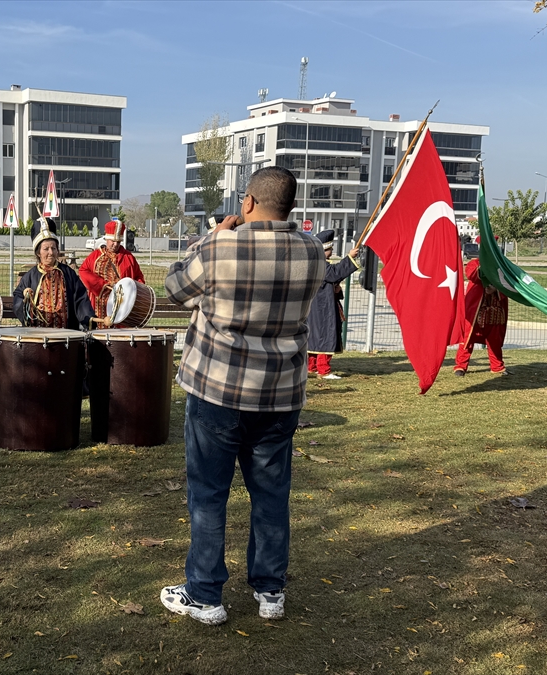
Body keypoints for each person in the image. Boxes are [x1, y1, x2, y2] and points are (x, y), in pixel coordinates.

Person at [161, 166, 325, 626]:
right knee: (271, 496)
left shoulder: (219, 247)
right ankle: (271, 591)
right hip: (279, 395)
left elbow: (175, 289)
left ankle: (205, 594)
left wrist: (207, 238)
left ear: (248, 202)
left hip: (218, 390)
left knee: (209, 495)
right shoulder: (312, 251)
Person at [13, 217, 93, 330]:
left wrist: (89, 319)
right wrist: (26, 302)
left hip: (66, 336)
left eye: (53, 248)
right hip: (38, 336)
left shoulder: (68, 273)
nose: (51, 253)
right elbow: (18, 298)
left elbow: (80, 298)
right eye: (46, 249)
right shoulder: (30, 277)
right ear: (38, 252)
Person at [306, 230, 360, 380]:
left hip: (315, 308)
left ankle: (311, 367)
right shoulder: (322, 266)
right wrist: (350, 257)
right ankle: (324, 370)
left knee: (314, 338)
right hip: (323, 309)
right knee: (325, 336)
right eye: (330, 249)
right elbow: (336, 272)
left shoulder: (314, 264)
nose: (332, 251)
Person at [454, 237, 509, 376]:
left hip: (495, 311)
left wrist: (495, 289)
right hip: (476, 311)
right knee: (468, 338)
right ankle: (460, 366)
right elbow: (471, 274)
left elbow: (508, 284)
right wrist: (485, 273)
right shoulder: (475, 263)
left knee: (494, 340)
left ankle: (497, 367)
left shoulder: (502, 266)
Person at [79, 218, 145, 322]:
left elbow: (138, 277)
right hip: (99, 304)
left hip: (123, 304)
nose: (115, 244)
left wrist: (134, 293)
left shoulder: (129, 257)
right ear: (106, 240)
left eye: (118, 242)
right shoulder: (95, 256)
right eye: (113, 241)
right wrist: (102, 285)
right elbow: (83, 271)